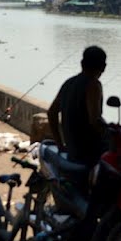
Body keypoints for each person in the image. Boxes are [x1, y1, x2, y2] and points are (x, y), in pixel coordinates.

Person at [47, 45, 108, 173]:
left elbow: (51, 112)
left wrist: (60, 144)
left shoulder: (68, 83)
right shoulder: (94, 85)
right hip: (89, 153)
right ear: (103, 67)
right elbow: (94, 120)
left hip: (72, 150)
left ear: (82, 63)